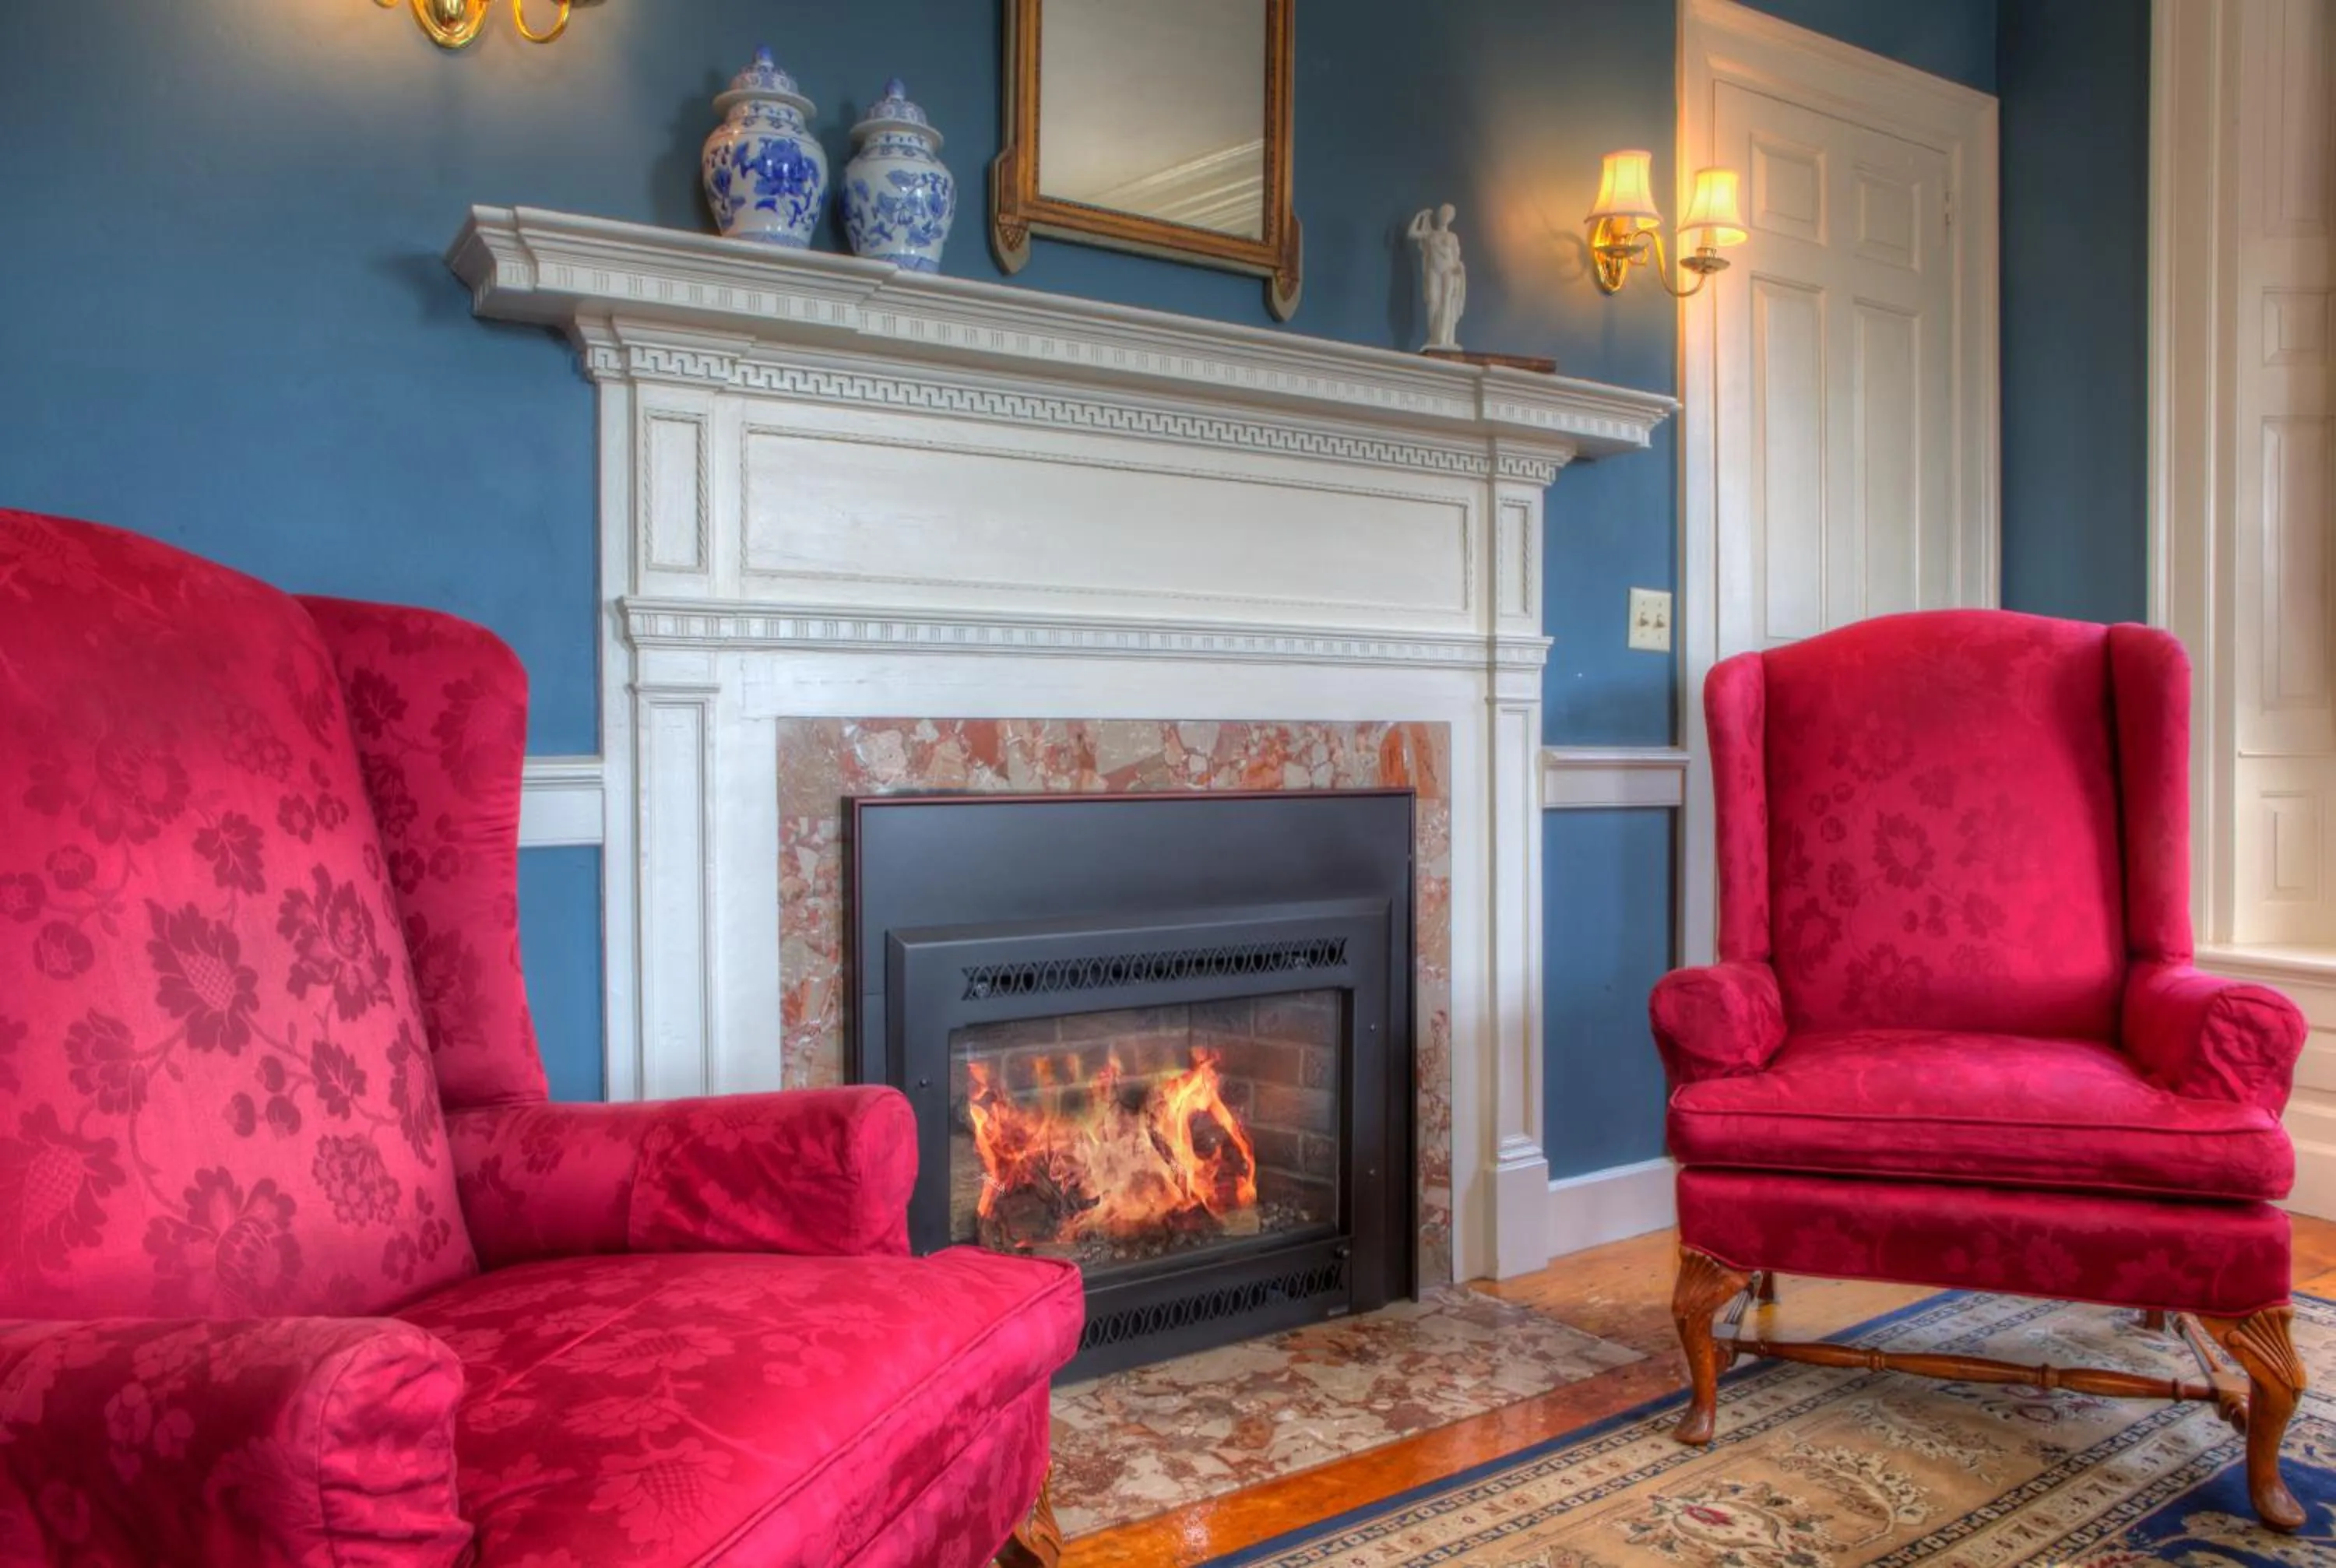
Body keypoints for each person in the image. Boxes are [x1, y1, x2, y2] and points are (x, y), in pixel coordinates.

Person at [1408, 203, 1466, 351]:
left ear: (1451, 218)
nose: (1444, 216)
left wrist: (1459, 269)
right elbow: (1412, 233)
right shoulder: (1431, 234)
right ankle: (1434, 337)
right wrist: (1420, 216)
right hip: (1434, 270)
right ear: (1439, 215)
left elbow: (1455, 257)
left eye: (1448, 214)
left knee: (1446, 302)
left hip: (1448, 270)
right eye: (1443, 213)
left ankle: (1444, 338)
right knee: (1433, 301)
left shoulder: (1452, 237)